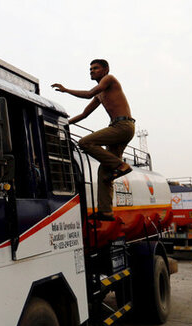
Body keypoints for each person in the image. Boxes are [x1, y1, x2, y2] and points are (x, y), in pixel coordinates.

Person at [52, 59, 135, 221]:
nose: (92, 71)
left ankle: (121, 165)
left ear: (105, 70)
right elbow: (84, 114)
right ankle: (106, 212)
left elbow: (88, 93)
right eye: (90, 69)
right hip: (118, 126)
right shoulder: (100, 94)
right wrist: (64, 124)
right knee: (104, 172)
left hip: (123, 126)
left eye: (95, 68)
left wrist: (66, 90)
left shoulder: (109, 79)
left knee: (85, 142)